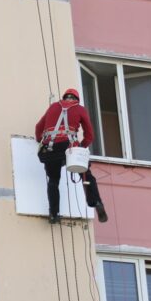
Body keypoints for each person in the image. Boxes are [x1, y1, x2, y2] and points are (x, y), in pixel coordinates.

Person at [35, 88, 109, 224]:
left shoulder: (53, 107)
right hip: (70, 146)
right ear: (76, 99)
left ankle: (54, 213)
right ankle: (96, 202)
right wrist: (81, 146)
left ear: (64, 97)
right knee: (86, 175)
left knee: (53, 180)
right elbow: (90, 135)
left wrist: (40, 140)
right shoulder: (80, 109)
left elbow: (39, 127)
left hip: (50, 148)